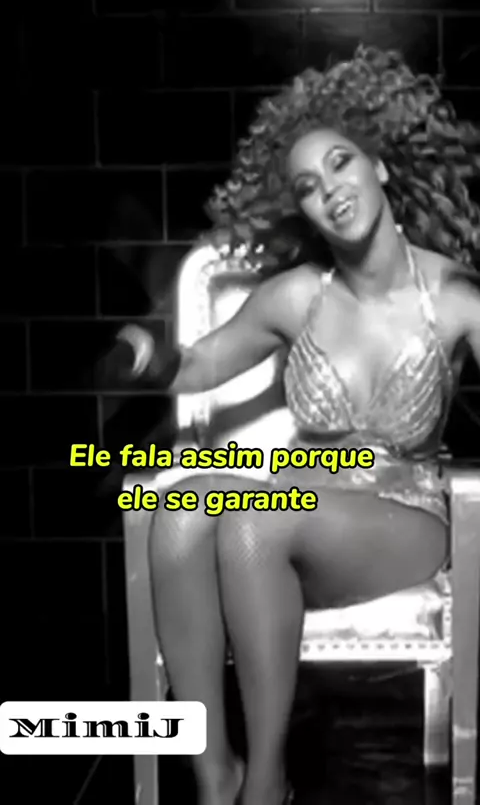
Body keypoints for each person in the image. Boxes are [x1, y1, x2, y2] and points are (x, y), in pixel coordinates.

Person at [114, 46, 480, 805]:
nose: (330, 191)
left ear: (381, 166)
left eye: (341, 164)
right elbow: (200, 365)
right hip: (298, 498)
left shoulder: (453, 297)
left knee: (254, 520)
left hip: (402, 515)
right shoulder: (297, 296)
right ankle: (216, 779)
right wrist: (145, 357)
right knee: (178, 513)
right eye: (308, 187)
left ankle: (267, 782)